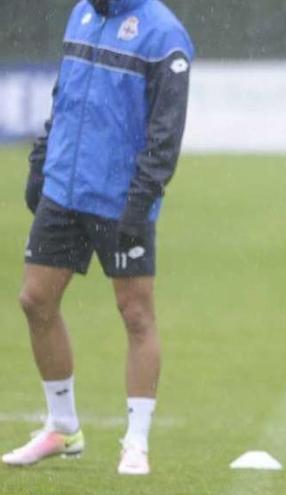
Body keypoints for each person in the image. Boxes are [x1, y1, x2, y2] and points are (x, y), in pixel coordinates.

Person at [1, 0, 193, 476]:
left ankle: (136, 442)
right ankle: (62, 426)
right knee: (35, 300)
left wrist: (141, 196)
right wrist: (41, 159)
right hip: (65, 186)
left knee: (135, 313)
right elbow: (63, 95)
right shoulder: (81, 14)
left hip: (121, 194)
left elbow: (166, 131)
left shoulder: (165, 34)